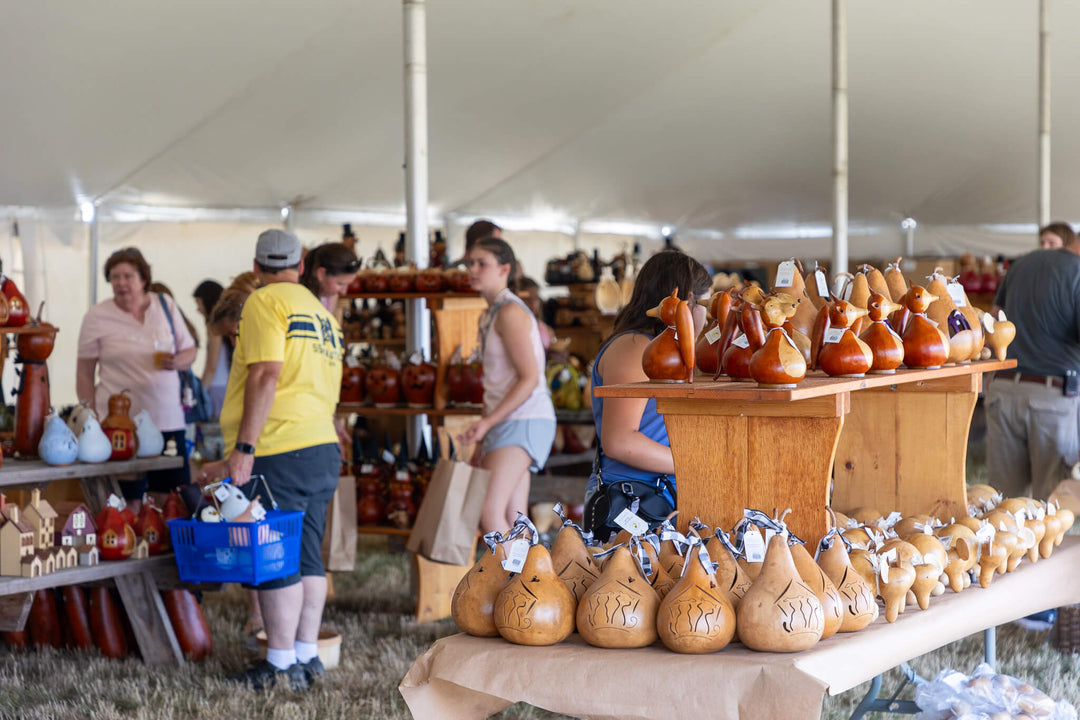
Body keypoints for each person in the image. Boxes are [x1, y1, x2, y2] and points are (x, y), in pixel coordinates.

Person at [198, 229, 344, 691]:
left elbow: (265, 374)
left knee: (273, 552)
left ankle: (279, 665)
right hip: (321, 445)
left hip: (280, 446)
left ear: (257, 267)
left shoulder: (264, 302)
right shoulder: (323, 314)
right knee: (308, 556)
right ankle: (306, 657)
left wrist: (243, 450)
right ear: (301, 266)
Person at [583, 250, 711, 511]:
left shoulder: (663, 351)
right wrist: (694, 463)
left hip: (656, 494)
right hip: (632, 498)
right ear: (685, 300)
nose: (707, 316)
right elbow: (620, 441)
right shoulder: (634, 348)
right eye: (704, 305)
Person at [76, 248, 198, 505]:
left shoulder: (165, 305)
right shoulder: (96, 316)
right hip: (119, 424)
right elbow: (85, 373)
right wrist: (91, 418)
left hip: (166, 418)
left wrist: (177, 361)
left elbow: (190, 350)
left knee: (171, 498)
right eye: (115, 277)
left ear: (143, 279)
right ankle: (129, 544)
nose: (121, 283)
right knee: (125, 499)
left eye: (128, 276)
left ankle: (166, 544)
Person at [459, 237, 556, 534]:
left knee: (488, 513)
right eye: (469, 263)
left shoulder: (510, 313)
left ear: (504, 269)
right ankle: (531, 577)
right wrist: (486, 426)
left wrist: (487, 423)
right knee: (516, 520)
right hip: (512, 419)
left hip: (524, 419)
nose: (472, 269)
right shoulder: (490, 314)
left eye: (481, 263)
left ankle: (515, 581)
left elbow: (529, 378)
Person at [193, 280, 229, 418]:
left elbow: (211, 367)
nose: (198, 309)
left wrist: (201, 393)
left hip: (216, 390)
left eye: (199, 303)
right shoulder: (228, 324)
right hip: (227, 387)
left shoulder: (214, 327)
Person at [299, 242, 360, 312]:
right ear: (321, 274)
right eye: (340, 284)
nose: (344, 292)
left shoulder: (329, 297)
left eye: (348, 284)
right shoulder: (298, 299)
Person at [513, 277, 554, 350]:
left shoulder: (545, 328)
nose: (532, 303)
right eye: (526, 299)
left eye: (536, 298)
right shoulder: (513, 328)